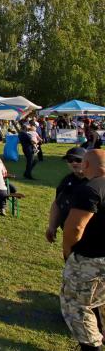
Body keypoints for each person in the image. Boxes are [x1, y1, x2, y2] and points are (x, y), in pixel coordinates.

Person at [60, 149, 105, 351]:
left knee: (77, 304)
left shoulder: (90, 189)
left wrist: (69, 252)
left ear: (86, 164)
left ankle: (91, 347)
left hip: (92, 259)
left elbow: (75, 228)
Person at [47, 147, 89, 243]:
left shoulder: (96, 182)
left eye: (78, 160)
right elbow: (57, 203)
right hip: (69, 235)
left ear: (87, 161)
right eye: (70, 160)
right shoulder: (67, 180)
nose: (74, 163)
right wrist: (52, 226)